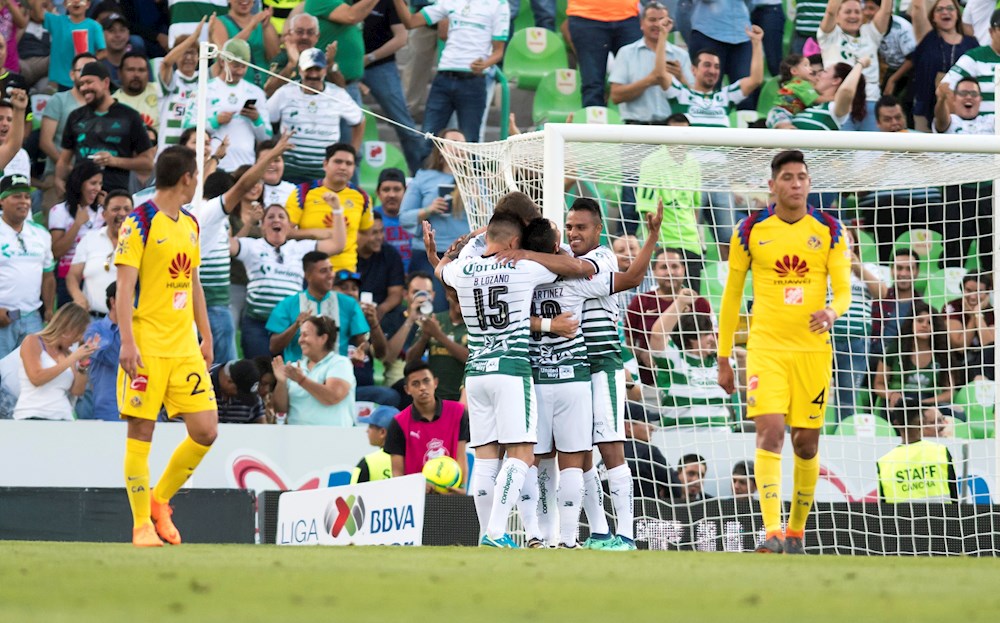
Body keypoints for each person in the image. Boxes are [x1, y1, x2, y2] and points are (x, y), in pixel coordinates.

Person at [716, 150, 852, 554]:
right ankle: (771, 531)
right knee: (771, 431)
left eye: (802, 177)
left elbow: (843, 289)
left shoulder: (829, 229)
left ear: (809, 183)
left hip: (812, 353)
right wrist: (724, 357)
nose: (796, 184)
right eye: (788, 177)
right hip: (766, 349)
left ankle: (795, 532)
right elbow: (731, 296)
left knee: (806, 444)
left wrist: (832, 310)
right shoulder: (749, 230)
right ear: (772, 185)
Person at [435, 211, 560, 548]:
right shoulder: (523, 266)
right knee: (521, 455)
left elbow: (439, 270)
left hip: (476, 372)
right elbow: (564, 264)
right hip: (510, 368)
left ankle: (485, 535)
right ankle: (495, 532)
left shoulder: (462, 268)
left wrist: (456, 247)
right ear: (512, 242)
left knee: (487, 459)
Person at [115, 145, 219, 548]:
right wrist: (127, 342)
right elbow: (124, 288)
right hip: (146, 345)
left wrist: (206, 334)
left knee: (206, 431)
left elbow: (193, 283)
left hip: (184, 347)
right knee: (142, 431)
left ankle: (160, 500)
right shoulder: (137, 222)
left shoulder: (190, 224)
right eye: (197, 176)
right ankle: (141, 525)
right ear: (189, 178)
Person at [231, 199, 346, 358]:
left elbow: (337, 245)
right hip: (258, 324)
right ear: (262, 226)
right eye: (270, 217)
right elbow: (228, 245)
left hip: (291, 324)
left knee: (289, 374)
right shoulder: (252, 246)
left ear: (289, 226)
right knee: (259, 373)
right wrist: (249, 222)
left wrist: (337, 210)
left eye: (281, 216)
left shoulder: (300, 248)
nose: (276, 219)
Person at [393, 0, 508, 146]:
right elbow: (410, 22)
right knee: (428, 140)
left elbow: (499, 51)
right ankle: (426, 169)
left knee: (469, 145)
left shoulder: (499, 4)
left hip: (473, 82)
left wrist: (485, 64)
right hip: (443, 78)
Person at [266, 47, 364, 183]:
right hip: (290, 171)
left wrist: (352, 153)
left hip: (324, 174)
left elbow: (359, 121)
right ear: (300, 70)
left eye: (317, 69)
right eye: (309, 69)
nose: (313, 74)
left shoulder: (338, 94)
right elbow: (267, 119)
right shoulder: (285, 92)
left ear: (324, 70)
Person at [399, 129, 470, 310]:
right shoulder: (423, 177)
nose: (458, 148)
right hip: (427, 254)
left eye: (462, 144)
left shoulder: (478, 180)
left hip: (463, 257)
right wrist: (428, 210)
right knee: (427, 309)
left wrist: (476, 199)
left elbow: (490, 220)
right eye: (453, 143)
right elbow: (404, 217)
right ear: (440, 149)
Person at [57, 61, 154, 193]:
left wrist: (114, 161)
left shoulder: (130, 116)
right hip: (82, 197)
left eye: (89, 82)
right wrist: (59, 180)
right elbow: (64, 160)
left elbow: (147, 163)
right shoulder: (75, 116)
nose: (84, 88)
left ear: (106, 83)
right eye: (81, 84)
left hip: (115, 196)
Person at [266, 252, 372, 370]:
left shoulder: (349, 304)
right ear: (308, 276)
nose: (330, 275)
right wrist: (296, 326)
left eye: (331, 270)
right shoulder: (287, 305)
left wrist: (361, 350)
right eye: (323, 271)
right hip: (297, 376)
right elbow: (274, 347)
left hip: (336, 375)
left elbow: (363, 341)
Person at [626, 247, 712, 386]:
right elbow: (629, 342)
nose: (670, 272)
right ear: (653, 271)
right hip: (650, 382)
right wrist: (641, 353)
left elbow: (711, 341)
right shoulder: (640, 302)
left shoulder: (700, 303)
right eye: (664, 267)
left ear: (683, 269)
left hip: (693, 382)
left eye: (675, 266)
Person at [649, 297, 740, 427]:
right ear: (689, 338)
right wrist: (680, 302)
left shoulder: (726, 364)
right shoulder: (674, 359)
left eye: (712, 333)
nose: (712, 338)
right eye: (706, 334)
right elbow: (657, 336)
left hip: (722, 436)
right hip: (679, 437)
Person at [285, 143, 372, 273]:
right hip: (311, 271)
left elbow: (366, 232)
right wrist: (314, 233)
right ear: (325, 164)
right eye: (338, 162)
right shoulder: (303, 191)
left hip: (346, 272)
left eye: (348, 164)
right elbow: (284, 232)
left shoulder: (362, 197)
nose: (343, 167)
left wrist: (346, 245)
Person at [383, 361, 469, 491]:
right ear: (407, 389)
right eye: (415, 384)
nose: (422, 387)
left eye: (426, 381)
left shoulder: (458, 412)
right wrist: (415, 488)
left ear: (435, 383)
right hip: (415, 497)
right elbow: (397, 473)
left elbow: (461, 456)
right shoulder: (398, 423)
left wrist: (462, 487)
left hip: (451, 493)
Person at [361, 0, 424, 175]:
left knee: (405, 125)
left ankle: (421, 174)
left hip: (380, 66)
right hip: (350, 67)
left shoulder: (389, 2)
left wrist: (370, 57)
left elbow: (401, 38)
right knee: (348, 124)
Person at [829, 229, 885, 421]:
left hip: (856, 340)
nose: (845, 241)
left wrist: (856, 267)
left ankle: (843, 434)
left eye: (849, 238)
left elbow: (882, 293)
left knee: (847, 396)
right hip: (824, 338)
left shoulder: (869, 268)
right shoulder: (822, 268)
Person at [609, 2, 694, 125]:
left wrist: (681, 78)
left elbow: (694, 99)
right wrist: (650, 80)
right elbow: (616, 96)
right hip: (637, 127)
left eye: (662, 20)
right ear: (642, 24)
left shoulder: (681, 55)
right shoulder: (626, 53)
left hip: (672, 129)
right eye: (652, 20)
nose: (658, 25)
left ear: (669, 23)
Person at [193, 39, 271, 170]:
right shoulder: (204, 89)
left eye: (244, 66)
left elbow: (267, 137)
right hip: (212, 166)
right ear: (223, 61)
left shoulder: (256, 93)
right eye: (235, 66)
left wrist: (256, 119)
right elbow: (187, 129)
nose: (239, 71)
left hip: (245, 166)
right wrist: (215, 121)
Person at [0, 171, 55, 360]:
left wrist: (49, 310)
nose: (24, 201)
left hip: (32, 318)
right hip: (2, 316)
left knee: (30, 376)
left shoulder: (41, 233)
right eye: (16, 196)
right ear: (2, 201)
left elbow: (48, 275)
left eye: (27, 196)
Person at [11, 302, 96, 421]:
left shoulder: (68, 353)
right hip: (32, 415)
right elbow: (36, 378)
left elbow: (77, 391)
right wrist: (73, 358)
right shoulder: (32, 341)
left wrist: (83, 363)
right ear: (69, 329)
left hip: (63, 417)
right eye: (79, 333)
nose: (80, 339)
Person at [817, 0, 892, 131]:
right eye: (847, 12)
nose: (853, 16)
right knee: (842, 150)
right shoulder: (829, 36)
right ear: (838, 16)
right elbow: (830, 11)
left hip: (870, 101)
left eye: (857, 12)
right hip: (840, 103)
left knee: (871, 150)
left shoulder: (871, 33)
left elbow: (886, 11)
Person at [664, 32, 764, 127]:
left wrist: (756, 42)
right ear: (694, 70)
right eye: (707, 65)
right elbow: (660, 74)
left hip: (721, 146)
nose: (712, 71)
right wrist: (662, 37)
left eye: (717, 66)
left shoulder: (726, 96)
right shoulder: (682, 94)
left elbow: (756, 80)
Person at [272, 315, 356, 425]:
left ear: (323, 338)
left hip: (334, 438)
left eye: (305, 335)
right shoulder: (294, 368)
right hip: (297, 438)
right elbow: (281, 410)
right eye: (300, 335)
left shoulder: (340, 363)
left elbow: (333, 397)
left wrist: (301, 380)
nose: (300, 340)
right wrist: (281, 382)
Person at [909, 0, 978, 132]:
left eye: (950, 8)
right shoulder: (927, 37)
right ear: (933, 17)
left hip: (963, 110)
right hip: (926, 107)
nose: (945, 12)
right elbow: (917, 7)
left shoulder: (971, 44)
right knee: (926, 151)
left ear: (958, 14)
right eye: (939, 9)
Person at [49, 160, 105, 306]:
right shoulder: (59, 211)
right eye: (93, 183)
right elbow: (56, 252)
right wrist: (77, 224)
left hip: (97, 277)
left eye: (100, 184)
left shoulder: (102, 212)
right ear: (80, 183)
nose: (97, 188)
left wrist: (109, 208)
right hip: (68, 279)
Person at [66, 189, 132, 315]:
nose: (122, 213)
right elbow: (73, 276)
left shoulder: (142, 242)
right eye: (116, 209)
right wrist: (78, 296)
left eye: (127, 209)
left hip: (130, 321)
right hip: (92, 320)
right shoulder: (90, 239)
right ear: (104, 215)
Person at [877, 402, 959, 503]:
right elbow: (954, 496)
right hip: (942, 517)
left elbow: (882, 507)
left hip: (901, 518)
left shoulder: (884, 462)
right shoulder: (941, 452)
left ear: (896, 424)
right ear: (922, 422)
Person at [565, 0, 640, 107]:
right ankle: (594, 122)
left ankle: (636, 122)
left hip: (628, 15)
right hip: (586, 16)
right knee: (592, 85)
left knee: (636, 80)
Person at [39, 53, 96, 194]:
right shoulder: (58, 100)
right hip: (59, 175)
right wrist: (67, 166)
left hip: (95, 178)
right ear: (72, 75)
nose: (87, 75)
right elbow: (45, 142)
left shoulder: (103, 105)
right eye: (82, 70)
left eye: (93, 70)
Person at [26, 0, 107, 91]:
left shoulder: (95, 26)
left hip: (83, 81)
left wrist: (88, 64)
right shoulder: (57, 21)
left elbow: (103, 52)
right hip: (58, 82)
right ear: (65, 4)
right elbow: (38, 13)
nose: (76, 2)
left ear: (88, 4)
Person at [405, 285, 467, 402]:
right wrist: (425, 337)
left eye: (465, 296)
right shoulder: (434, 320)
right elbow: (410, 360)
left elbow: (470, 358)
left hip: (462, 397)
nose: (461, 301)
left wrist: (438, 335)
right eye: (457, 297)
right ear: (448, 295)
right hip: (434, 398)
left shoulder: (476, 325)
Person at [942, 9, 1000, 119]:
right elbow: (944, 89)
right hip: (982, 130)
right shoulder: (974, 58)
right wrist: (965, 121)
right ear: (991, 31)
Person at [209, 0, 279, 89]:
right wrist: (252, 25)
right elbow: (226, 53)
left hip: (261, 87)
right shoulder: (219, 22)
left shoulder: (261, 21)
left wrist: (266, 26)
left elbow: (274, 56)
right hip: (231, 87)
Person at [81, 282, 121, 421]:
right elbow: (112, 356)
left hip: (142, 404)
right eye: (129, 296)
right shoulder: (94, 329)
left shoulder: (142, 328)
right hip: (109, 408)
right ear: (113, 301)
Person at [944, 273, 995, 383]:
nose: (973, 296)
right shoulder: (952, 307)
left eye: (979, 291)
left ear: (988, 292)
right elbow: (961, 347)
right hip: (958, 366)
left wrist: (977, 313)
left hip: (986, 366)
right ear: (962, 289)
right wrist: (973, 318)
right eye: (969, 290)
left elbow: (990, 347)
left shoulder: (992, 312)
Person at [871, 250, 924, 355]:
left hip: (905, 360)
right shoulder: (878, 300)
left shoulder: (922, 306)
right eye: (899, 268)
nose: (904, 273)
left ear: (917, 272)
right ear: (891, 271)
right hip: (874, 357)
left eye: (909, 269)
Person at [357, 212, 405, 319]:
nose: (380, 237)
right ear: (360, 233)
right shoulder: (347, 256)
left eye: (381, 231)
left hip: (381, 311)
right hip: (353, 310)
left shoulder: (390, 254)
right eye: (374, 233)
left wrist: (380, 310)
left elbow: (396, 293)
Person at [624, 411, 674, 501]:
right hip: (646, 511)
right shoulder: (648, 452)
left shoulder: (608, 454)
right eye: (646, 422)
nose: (652, 428)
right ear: (628, 426)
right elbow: (673, 484)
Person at [373, 167, 412, 271]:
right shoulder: (370, 218)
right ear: (378, 193)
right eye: (386, 190)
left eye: (397, 189)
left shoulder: (417, 217)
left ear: (405, 191)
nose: (392, 195)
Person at [114, 51, 160, 132]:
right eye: (131, 70)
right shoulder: (113, 103)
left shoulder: (160, 91)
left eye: (141, 70)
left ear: (148, 74)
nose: (136, 74)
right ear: (119, 73)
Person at [209, 359, 266, 424]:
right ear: (229, 381)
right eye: (240, 394)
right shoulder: (201, 380)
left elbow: (261, 424)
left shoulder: (251, 390)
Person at [351, 405, 397, 483]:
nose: (367, 431)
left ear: (382, 432)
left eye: (370, 426)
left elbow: (353, 493)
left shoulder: (367, 462)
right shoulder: (413, 459)